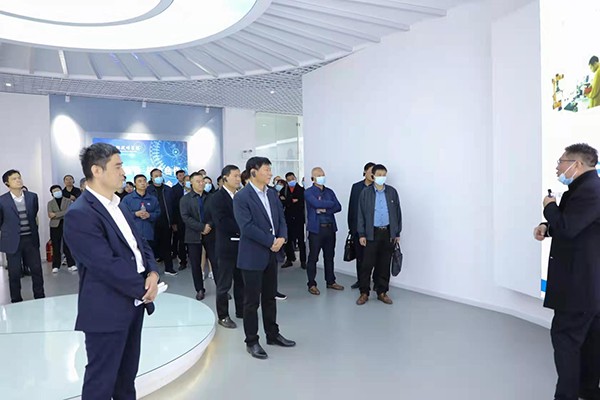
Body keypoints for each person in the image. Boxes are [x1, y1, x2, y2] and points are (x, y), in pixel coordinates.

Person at [64, 143, 159, 400]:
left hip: (134, 304)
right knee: (101, 382)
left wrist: (152, 273)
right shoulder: (80, 214)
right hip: (106, 309)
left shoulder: (119, 205)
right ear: (97, 170)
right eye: (118, 167)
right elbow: (105, 264)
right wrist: (143, 288)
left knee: (126, 378)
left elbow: (139, 244)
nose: (123, 172)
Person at [534, 143, 600, 400]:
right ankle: (588, 390)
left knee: (566, 341)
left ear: (577, 164)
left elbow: (568, 228)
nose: (557, 167)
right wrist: (546, 226)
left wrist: (548, 207)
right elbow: (579, 226)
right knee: (590, 341)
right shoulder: (583, 189)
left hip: (579, 286)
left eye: (561, 161)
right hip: (588, 286)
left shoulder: (591, 191)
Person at [233, 156, 295, 359]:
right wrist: (271, 241)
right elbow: (247, 227)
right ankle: (251, 341)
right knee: (251, 302)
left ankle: (272, 334)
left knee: (269, 298)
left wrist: (282, 237)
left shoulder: (272, 194)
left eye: (270, 169)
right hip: (253, 256)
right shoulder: (242, 197)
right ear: (253, 172)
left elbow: (281, 219)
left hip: (272, 254)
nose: (270, 173)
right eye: (266, 170)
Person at [356, 164, 402, 306]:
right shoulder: (366, 193)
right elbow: (360, 214)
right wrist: (361, 234)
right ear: (373, 176)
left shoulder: (392, 192)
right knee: (367, 264)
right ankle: (364, 292)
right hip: (371, 233)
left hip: (387, 233)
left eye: (384, 175)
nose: (382, 177)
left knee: (384, 264)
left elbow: (397, 213)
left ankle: (382, 292)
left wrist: (397, 232)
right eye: (379, 175)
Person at [0, 170, 45, 303]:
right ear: (7, 183)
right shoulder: (2, 201)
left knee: (36, 270)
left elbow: (33, 214)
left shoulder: (32, 197)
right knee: (14, 273)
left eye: (19, 177)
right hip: (12, 241)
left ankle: (40, 297)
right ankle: (16, 300)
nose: (18, 180)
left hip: (30, 239)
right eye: (14, 179)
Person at [211, 165, 245, 328]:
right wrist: (244, 227)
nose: (239, 179)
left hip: (242, 246)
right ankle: (223, 315)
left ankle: (241, 310)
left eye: (239, 176)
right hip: (226, 246)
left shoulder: (240, 196)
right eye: (235, 176)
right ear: (225, 178)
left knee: (241, 281)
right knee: (224, 284)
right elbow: (222, 222)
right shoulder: (217, 198)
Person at [179, 172, 213, 301]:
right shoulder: (185, 199)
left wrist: (209, 225)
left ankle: (222, 288)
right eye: (198, 181)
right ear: (191, 183)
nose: (201, 183)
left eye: (202, 181)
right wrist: (201, 227)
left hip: (211, 234)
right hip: (193, 236)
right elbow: (185, 217)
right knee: (195, 264)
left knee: (216, 262)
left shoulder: (211, 197)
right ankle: (199, 289)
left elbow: (216, 214)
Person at [348, 162, 375, 289]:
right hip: (358, 229)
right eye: (371, 171)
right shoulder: (356, 187)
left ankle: (375, 282)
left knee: (374, 258)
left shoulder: (377, 188)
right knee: (360, 257)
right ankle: (361, 281)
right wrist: (351, 228)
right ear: (365, 172)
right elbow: (352, 207)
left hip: (373, 230)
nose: (373, 174)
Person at [146, 168, 177, 276]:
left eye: (160, 175)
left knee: (167, 246)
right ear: (151, 178)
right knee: (151, 248)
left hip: (166, 222)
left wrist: (173, 222)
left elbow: (174, 207)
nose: (158, 177)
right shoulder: (148, 190)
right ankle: (152, 272)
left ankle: (169, 268)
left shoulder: (168, 189)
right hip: (151, 223)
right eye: (156, 176)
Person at [121, 175, 160, 245]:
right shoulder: (127, 199)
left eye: (144, 181)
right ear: (135, 184)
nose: (142, 183)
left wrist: (149, 215)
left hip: (149, 234)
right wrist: (135, 214)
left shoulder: (153, 199)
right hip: (132, 235)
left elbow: (158, 213)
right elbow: (122, 214)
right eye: (139, 181)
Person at [280, 172, 307, 269]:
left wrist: (288, 201)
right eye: (289, 179)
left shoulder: (301, 190)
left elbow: (301, 202)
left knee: (301, 240)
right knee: (288, 240)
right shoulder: (284, 190)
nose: (291, 181)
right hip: (288, 218)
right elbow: (281, 201)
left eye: (292, 178)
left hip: (299, 218)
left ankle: (303, 261)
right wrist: (291, 201)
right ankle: (289, 259)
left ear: (295, 178)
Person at [48, 185, 76, 273]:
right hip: (55, 226)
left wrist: (56, 214)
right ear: (52, 194)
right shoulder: (50, 203)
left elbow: (69, 211)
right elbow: (50, 215)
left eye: (58, 190)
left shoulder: (68, 201)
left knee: (68, 245)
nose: (57, 192)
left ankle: (71, 264)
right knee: (56, 246)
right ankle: (56, 265)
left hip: (67, 224)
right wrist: (62, 213)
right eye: (54, 191)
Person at [172, 169, 187, 271]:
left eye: (183, 175)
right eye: (180, 175)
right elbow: (173, 207)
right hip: (180, 220)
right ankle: (183, 261)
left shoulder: (194, 190)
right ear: (177, 177)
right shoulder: (174, 189)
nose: (182, 177)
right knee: (181, 241)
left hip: (193, 222)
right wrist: (174, 222)